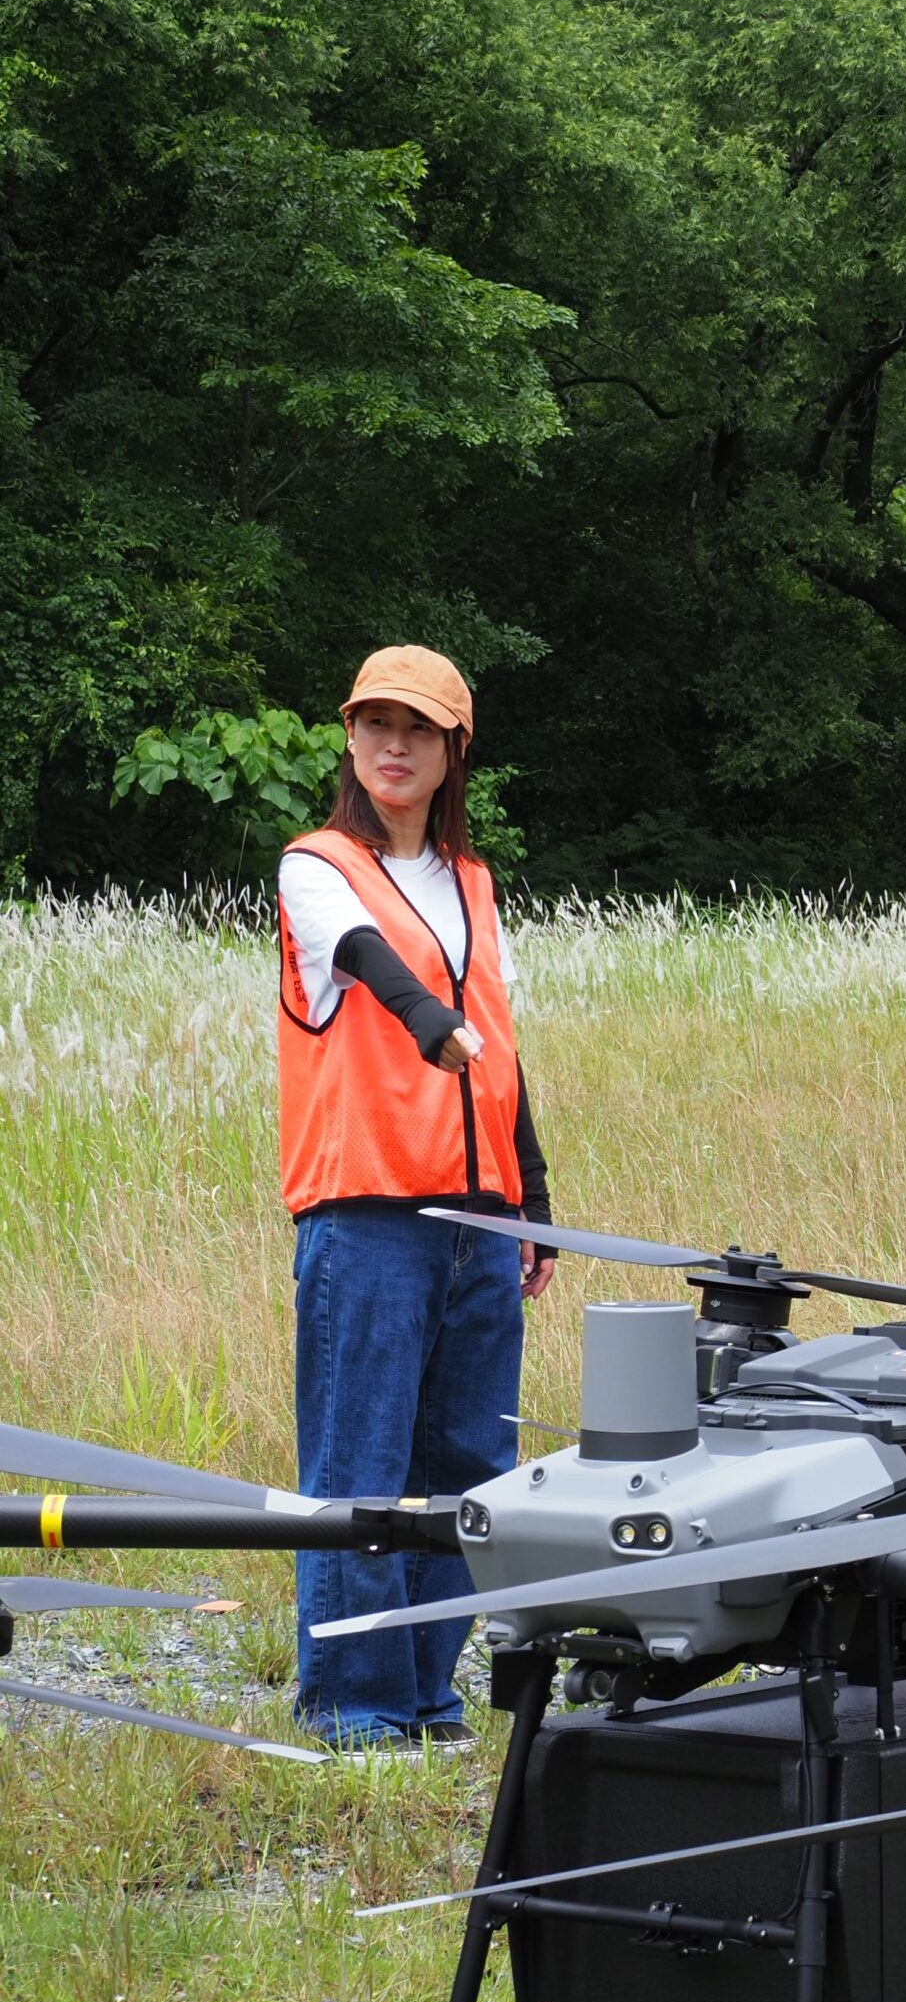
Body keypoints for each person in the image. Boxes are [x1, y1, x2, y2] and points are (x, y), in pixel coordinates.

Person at [276, 646, 554, 1751]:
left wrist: (528, 1196)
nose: (393, 745)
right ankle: (355, 1708)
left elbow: (504, 1049)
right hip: (367, 1212)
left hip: (477, 1218)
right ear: (349, 738)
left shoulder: (475, 885)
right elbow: (364, 959)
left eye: (419, 729)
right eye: (375, 723)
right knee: (360, 1467)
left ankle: (430, 1697)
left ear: (453, 753)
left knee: (469, 1469)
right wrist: (427, 1021)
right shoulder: (315, 865)